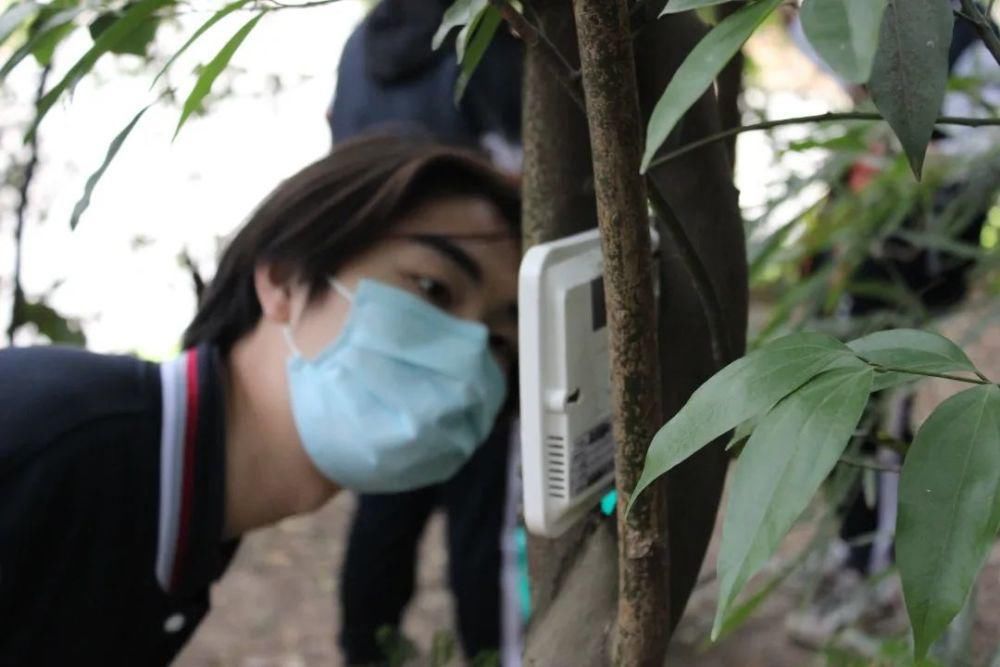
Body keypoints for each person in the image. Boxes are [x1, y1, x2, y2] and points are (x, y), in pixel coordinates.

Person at [0, 134, 521, 666]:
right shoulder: (46, 443)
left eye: (503, 341)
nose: (470, 352)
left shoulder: (181, 521)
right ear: (285, 277)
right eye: (433, 288)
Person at [784, 7, 998, 647]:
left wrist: (904, 155)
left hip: (918, 254)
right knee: (842, 400)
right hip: (856, 245)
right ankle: (853, 558)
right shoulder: (866, 16)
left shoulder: (973, 43)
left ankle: (872, 574)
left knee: (889, 407)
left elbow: (976, 155)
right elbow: (818, 41)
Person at [326, 3, 525, 665]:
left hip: (380, 309)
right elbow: (530, 170)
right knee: (480, 517)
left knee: (386, 494)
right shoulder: (483, 31)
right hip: (472, 317)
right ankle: (488, 652)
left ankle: (366, 647)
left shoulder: (362, 44)